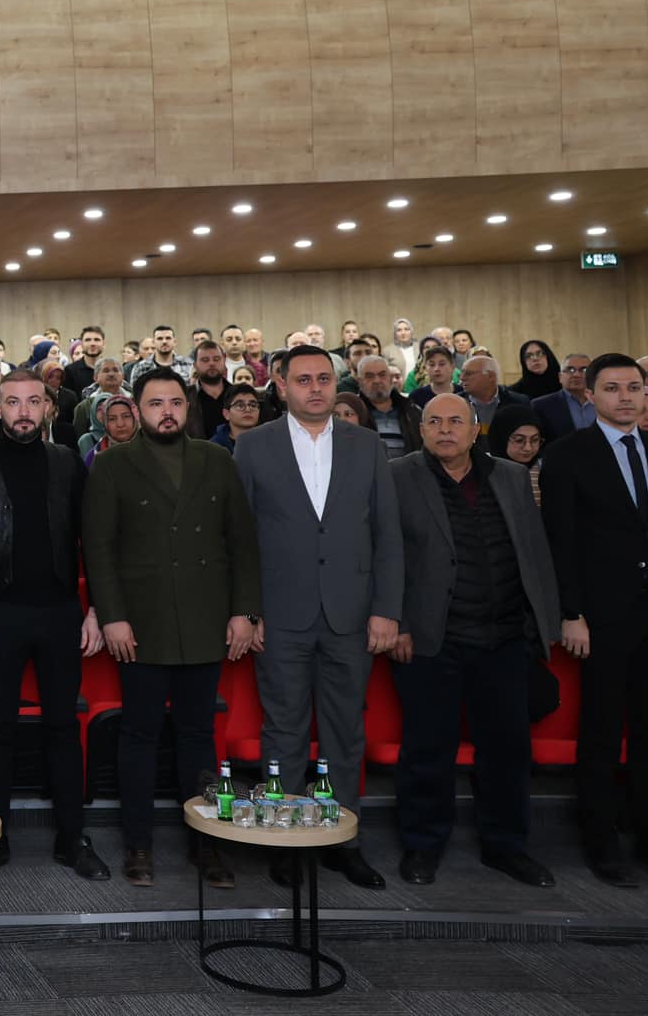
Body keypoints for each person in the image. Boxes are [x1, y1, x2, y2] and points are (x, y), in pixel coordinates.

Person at [83, 366, 259, 888]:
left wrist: (245, 611)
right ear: (138, 410)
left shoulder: (217, 460)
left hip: (206, 621)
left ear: (188, 408)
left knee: (198, 737)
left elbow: (242, 543)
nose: (167, 412)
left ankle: (206, 846)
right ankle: (138, 844)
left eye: (176, 403)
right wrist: (111, 615)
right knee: (138, 735)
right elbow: (100, 548)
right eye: (156, 403)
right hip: (141, 623)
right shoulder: (114, 466)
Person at [236, 344, 402, 890]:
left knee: (344, 733)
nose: (315, 388)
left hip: (351, 615)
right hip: (280, 615)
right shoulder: (254, 447)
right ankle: (283, 836)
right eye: (303, 379)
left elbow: (387, 537)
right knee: (282, 730)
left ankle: (342, 839)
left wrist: (386, 611)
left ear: (337, 385)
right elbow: (239, 537)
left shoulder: (368, 445)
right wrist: (248, 610)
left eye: (325, 379)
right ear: (280, 386)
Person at [388, 395, 559, 888]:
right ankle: (422, 847)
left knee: (508, 750)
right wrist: (395, 620)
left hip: (504, 637)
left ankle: (507, 848)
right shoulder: (398, 476)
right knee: (427, 750)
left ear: (475, 428)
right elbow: (384, 553)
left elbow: (533, 551)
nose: (445, 430)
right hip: (428, 639)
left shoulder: (509, 476)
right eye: (434, 421)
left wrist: (542, 624)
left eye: (455, 421)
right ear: (421, 430)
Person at [0, 372, 108, 882]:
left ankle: (71, 838)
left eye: (33, 402)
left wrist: (95, 609)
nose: (23, 410)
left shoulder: (67, 462)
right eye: (13, 402)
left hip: (61, 612)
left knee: (64, 728)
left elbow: (94, 543)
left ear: (49, 409)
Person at [538, 354, 648, 886]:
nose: (627, 397)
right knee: (603, 730)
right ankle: (601, 842)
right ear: (592, 395)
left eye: (635, 387)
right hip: (600, 618)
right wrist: (572, 613)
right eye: (613, 388)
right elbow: (559, 541)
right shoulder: (567, 455)